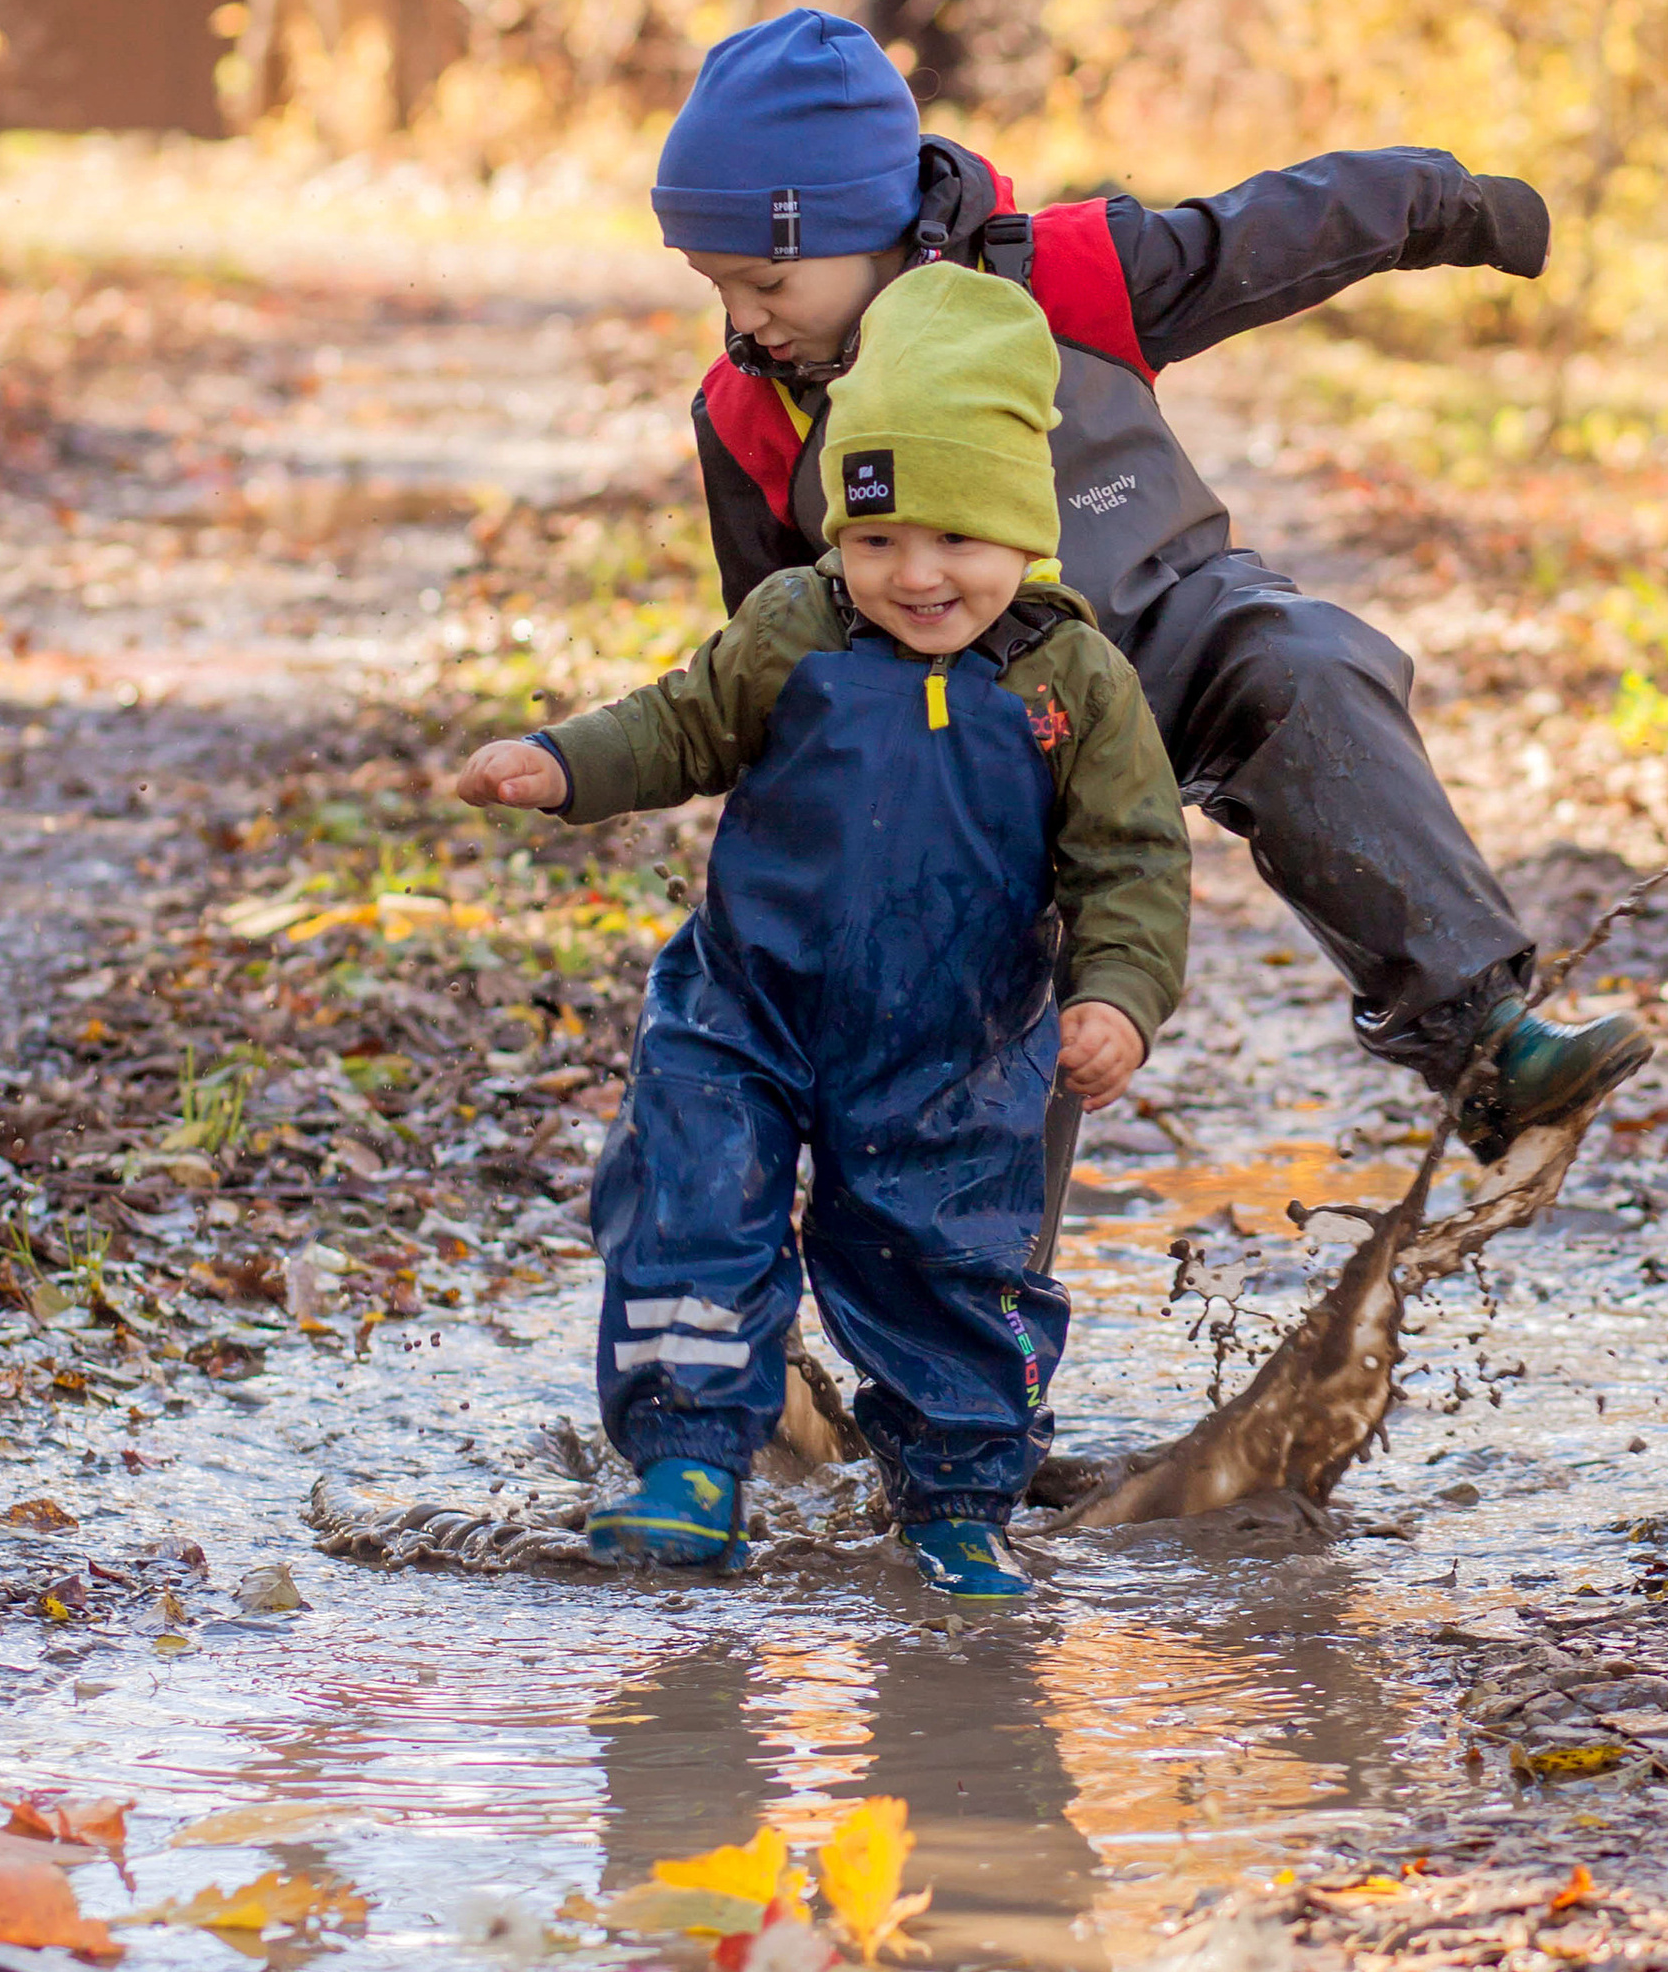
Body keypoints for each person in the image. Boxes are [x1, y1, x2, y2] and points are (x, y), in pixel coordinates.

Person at [662, 7, 1650, 1159]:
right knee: (967, 1025)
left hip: (1180, 642)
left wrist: (1447, 203)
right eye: (715, 284)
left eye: (766, 279)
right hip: (972, 737)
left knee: (1308, 663)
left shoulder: (1070, 275)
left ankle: (1485, 1048)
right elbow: (776, 649)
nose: (744, 319)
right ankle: (963, 1299)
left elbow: (1273, 231)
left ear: (860, 221)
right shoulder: (747, 413)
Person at [456, 262, 1189, 1602]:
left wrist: (1119, 998)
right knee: (691, 1205)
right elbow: (680, 724)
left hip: (953, 1049)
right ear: (835, 534)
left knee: (948, 1271)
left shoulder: (1068, 679)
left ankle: (959, 1502)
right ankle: (689, 1465)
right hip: (748, 1009)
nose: (916, 577)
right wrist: (562, 765)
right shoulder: (796, 626)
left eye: (957, 539)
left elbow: (1131, 859)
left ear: (1024, 530)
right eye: (877, 539)